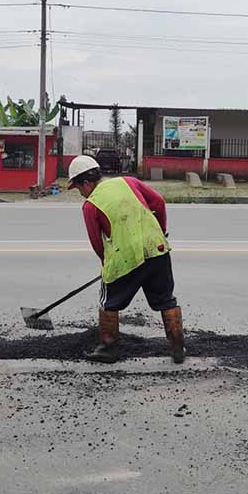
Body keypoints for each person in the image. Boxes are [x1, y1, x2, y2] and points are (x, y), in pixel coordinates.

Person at [68, 155, 185, 364]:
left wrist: (107, 266)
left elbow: (97, 243)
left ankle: (108, 349)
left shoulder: (90, 205)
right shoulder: (128, 181)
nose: (80, 193)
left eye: (78, 188)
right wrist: (161, 231)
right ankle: (178, 348)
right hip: (157, 250)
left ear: (86, 182)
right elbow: (158, 201)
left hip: (125, 260)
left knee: (109, 303)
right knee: (166, 299)